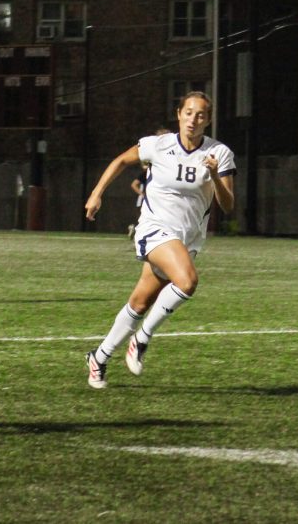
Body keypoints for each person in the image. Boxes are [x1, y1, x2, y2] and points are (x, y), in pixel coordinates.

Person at [83, 91, 235, 389]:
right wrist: (96, 193)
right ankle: (142, 339)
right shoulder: (158, 145)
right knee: (188, 281)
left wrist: (215, 176)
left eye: (201, 114)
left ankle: (98, 358)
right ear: (178, 114)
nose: (193, 119)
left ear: (209, 120)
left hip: (187, 239)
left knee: (140, 302)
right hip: (154, 229)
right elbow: (120, 161)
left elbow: (228, 206)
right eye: (188, 112)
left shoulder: (220, 153)